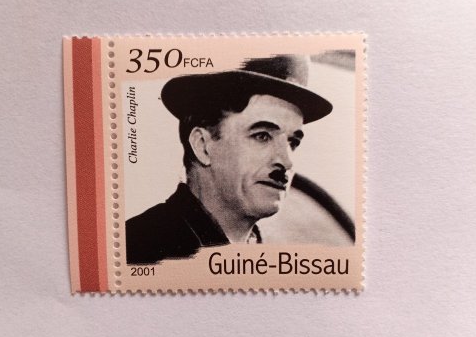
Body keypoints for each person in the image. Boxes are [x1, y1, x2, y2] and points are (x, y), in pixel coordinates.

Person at [126, 55, 333, 264]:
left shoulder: (266, 258)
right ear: (202, 146)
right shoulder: (137, 249)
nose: (287, 162)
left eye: (293, 142)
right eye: (262, 136)